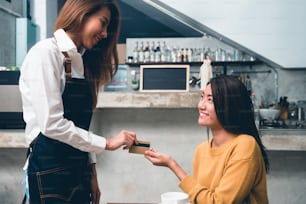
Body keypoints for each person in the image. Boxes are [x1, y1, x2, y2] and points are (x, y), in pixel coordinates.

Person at [19, 0, 137, 204]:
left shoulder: (80, 61)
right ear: (82, 13)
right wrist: (107, 143)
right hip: (50, 172)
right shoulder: (45, 53)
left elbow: (80, 125)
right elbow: (51, 124)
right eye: (103, 22)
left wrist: (91, 172)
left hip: (78, 171)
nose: (105, 34)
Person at [145, 75, 269, 204]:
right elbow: (200, 198)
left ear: (229, 107)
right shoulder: (202, 149)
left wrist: (172, 164)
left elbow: (218, 202)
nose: (201, 105)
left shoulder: (245, 146)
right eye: (202, 97)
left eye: (210, 100)